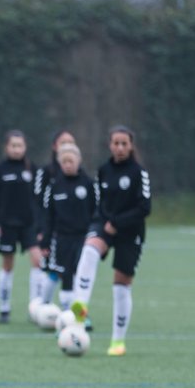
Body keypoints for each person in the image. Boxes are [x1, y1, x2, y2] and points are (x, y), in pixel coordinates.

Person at [69, 126, 152, 355]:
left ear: (131, 146)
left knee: (121, 286)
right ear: (110, 145)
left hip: (130, 231)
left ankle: (117, 341)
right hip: (105, 223)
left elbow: (145, 207)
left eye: (124, 143)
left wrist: (118, 222)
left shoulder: (138, 172)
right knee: (90, 250)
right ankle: (81, 305)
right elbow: (100, 201)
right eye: (116, 143)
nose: (120, 147)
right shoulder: (104, 170)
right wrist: (105, 222)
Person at [0, 130, 42, 324]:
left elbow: (39, 200)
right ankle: (4, 308)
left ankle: (35, 309)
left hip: (29, 225)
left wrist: (40, 227)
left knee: (38, 261)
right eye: (13, 146)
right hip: (7, 225)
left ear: (25, 148)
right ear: (6, 147)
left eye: (20, 146)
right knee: (8, 265)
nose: (17, 149)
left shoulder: (33, 169)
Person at [41, 142, 98, 313]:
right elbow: (48, 216)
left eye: (70, 161)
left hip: (83, 238)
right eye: (64, 162)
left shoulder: (88, 184)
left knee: (79, 275)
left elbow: (96, 211)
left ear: (78, 161)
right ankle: (64, 312)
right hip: (61, 238)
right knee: (63, 275)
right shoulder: (54, 186)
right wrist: (45, 241)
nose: (67, 165)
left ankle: (80, 313)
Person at [33, 129, 76, 305]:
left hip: (76, 234)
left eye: (71, 143)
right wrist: (41, 230)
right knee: (52, 270)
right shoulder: (46, 173)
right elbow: (38, 204)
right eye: (63, 143)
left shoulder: (82, 178)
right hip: (54, 232)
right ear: (54, 146)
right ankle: (43, 306)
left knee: (74, 274)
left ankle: (75, 312)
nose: (67, 147)